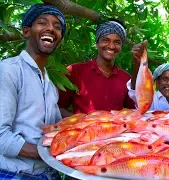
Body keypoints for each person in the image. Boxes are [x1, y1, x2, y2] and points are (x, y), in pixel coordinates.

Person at [0, 4, 65, 179]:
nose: (51, 29)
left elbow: (56, 130)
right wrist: (49, 153)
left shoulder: (50, 85)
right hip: (14, 173)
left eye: (57, 27)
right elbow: (1, 137)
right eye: (43, 23)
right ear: (27, 31)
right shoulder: (8, 70)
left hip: (48, 173)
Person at [58, 19, 135, 117]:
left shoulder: (126, 79)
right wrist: (82, 121)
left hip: (115, 131)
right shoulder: (75, 71)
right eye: (105, 40)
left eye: (117, 42)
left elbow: (131, 113)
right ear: (97, 43)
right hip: (82, 131)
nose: (111, 46)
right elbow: (59, 107)